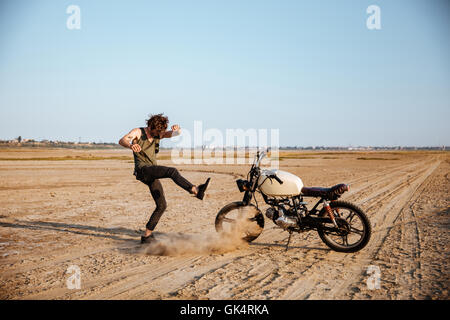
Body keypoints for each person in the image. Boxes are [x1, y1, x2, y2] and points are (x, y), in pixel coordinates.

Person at [118, 113, 210, 244]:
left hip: (152, 172)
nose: (159, 134)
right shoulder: (138, 132)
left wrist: (177, 130)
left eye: (160, 132)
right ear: (150, 126)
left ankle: (147, 237)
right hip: (143, 170)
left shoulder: (159, 134)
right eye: (157, 131)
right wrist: (131, 145)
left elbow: (174, 134)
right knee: (171, 171)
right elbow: (122, 140)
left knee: (161, 205)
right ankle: (195, 189)